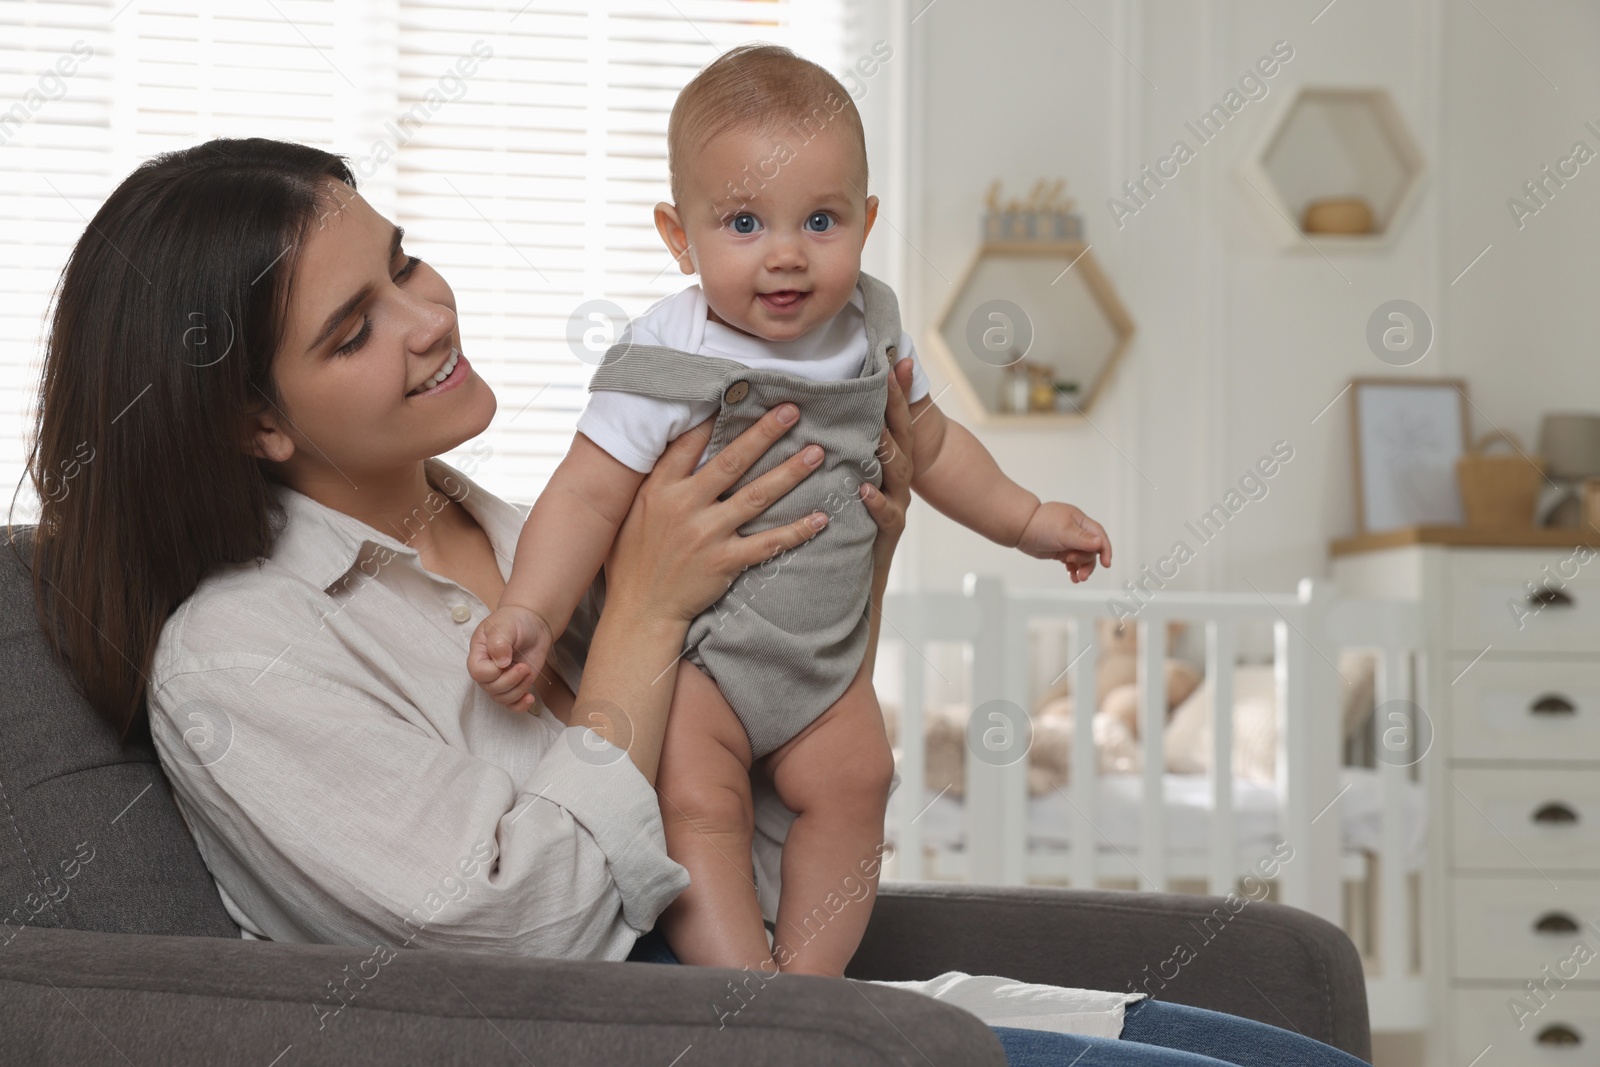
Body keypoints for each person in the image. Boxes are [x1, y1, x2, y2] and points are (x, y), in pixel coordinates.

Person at [19, 135, 1368, 1065]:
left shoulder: (523, 526)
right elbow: (525, 931)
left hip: (789, 991)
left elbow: (769, 794)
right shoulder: (242, 647)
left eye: (405, 263)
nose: (429, 316)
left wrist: (863, 554)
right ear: (256, 418)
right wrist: (651, 616)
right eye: (353, 326)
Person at [467, 43, 1113, 979]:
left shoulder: (873, 329)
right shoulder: (670, 348)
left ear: (867, 220)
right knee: (695, 801)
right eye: (742, 222)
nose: (786, 253)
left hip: (824, 661)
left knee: (862, 780)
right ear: (678, 236)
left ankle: (808, 989)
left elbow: (931, 448)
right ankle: (741, 986)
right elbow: (588, 489)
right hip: (705, 660)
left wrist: (1026, 517)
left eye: (820, 219)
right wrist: (532, 608)